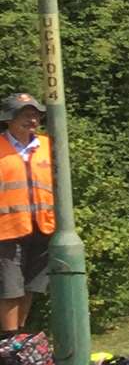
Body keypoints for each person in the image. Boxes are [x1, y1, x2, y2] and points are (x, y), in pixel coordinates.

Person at [0, 94, 53, 333]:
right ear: (9, 118)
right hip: (7, 230)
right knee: (11, 290)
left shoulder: (48, 146)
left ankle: (21, 337)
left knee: (31, 287)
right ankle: (10, 343)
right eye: (25, 114)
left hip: (44, 228)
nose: (32, 119)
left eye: (35, 114)